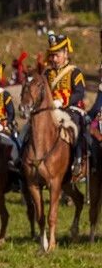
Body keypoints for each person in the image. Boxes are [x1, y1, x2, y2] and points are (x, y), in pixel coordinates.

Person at [44, 31, 88, 172]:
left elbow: (80, 93)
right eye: (52, 55)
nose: (54, 59)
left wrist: (63, 102)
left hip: (71, 109)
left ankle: (77, 158)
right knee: (28, 130)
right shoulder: (46, 74)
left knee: (74, 129)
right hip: (50, 111)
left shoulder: (75, 72)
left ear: (65, 53)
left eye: (57, 55)